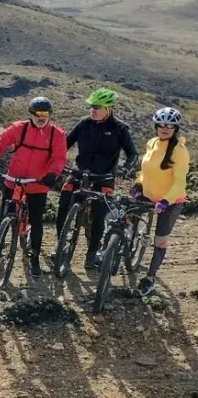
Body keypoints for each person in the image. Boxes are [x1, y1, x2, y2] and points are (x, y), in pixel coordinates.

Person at [0, 97, 67, 277]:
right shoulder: (19, 128)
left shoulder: (56, 134)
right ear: (31, 114)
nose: (41, 117)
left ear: (50, 115)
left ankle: (34, 258)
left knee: (36, 221)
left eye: (45, 114)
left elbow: (59, 159)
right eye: (37, 114)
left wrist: (52, 175)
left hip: (38, 184)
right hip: (14, 179)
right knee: (3, 216)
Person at [55, 87, 137, 269]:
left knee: (99, 216)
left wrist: (125, 168)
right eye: (91, 106)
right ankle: (60, 245)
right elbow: (65, 145)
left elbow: (132, 154)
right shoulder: (83, 123)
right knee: (63, 206)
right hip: (79, 172)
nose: (93, 109)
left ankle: (91, 254)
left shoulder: (119, 129)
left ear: (109, 109)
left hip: (104, 177)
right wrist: (56, 161)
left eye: (97, 107)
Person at [133, 107, 189, 297]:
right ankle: (123, 245)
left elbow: (179, 181)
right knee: (124, 212)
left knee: (160, 239)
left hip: (171, 200)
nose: (165, 129)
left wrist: (166, 200)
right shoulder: (151, 143)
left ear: (175, 129)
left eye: (170, 126)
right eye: (162, 126)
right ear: (156, 126)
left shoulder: (179, 152)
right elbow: (146, 171)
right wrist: (138, 184)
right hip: (148, 194)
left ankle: (150, 278)